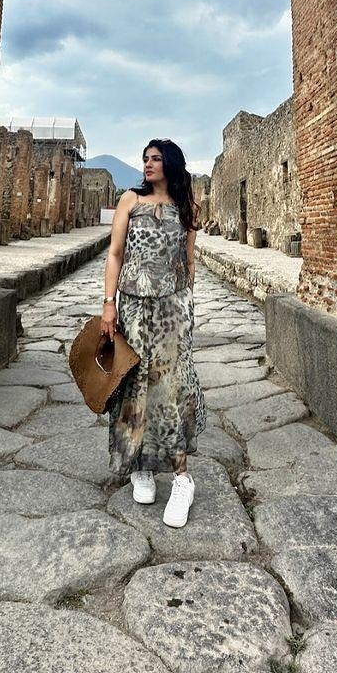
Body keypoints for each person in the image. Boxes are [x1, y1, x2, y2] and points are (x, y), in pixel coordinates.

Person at [101, 138, 207, 527]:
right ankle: (139, 466)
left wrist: (187, 309)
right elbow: (115, 254)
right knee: (132, 385)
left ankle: (182, 477)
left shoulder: (187, 208)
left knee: (171, 387)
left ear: (171, 164)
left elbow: (189, 261)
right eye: (145, 158)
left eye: (156, 159)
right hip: (130, 308)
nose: (148, 164)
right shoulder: (129, 201)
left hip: (171, 311)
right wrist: (108, 303)